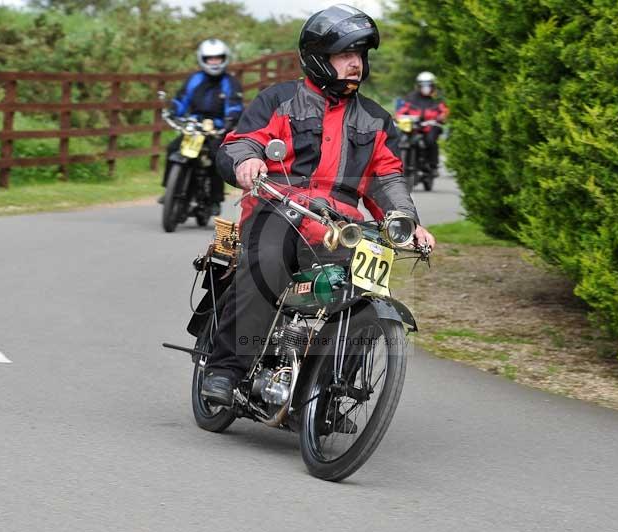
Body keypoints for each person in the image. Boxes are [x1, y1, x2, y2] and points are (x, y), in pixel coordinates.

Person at [199, 4, 437, 406]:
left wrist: (407, 222)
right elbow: (242, 142)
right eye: (345, 55)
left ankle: (327, 391)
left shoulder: (377, 121)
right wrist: (248, 161)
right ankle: (227, 368)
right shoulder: (278, 100)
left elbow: (387, 178)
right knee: (268, 265)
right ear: (317, 58)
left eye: (359, 55)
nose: (355, 64)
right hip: (277, 210)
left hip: (338, 226)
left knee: (366, 291)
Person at [160, 38, 243, 214]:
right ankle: (169, 190)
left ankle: (215, 199)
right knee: (172, 148)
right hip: (195, 126)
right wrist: (173, 111)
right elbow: (182, 99)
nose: (214, 62)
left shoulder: (230, 82)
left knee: (215, 157)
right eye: (210, 59)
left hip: (217, 128)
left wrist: (229, 121)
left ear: (224, 58)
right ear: (202, 59)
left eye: (218, 58)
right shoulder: (195, 79)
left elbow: (235, 105)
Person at [395, 71, 449, 174]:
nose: (426, 87)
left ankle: (432, 164)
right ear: (418, 85)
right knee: (399, 137)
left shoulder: (437, 99)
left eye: (428, 85)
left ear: (433, 85)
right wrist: (398, 117)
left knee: (430, 141)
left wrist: (440, 117)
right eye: (423, 85)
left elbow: (444, 111)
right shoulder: (411, 97)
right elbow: (402, 110)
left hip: (431, 125)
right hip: (414, 126)